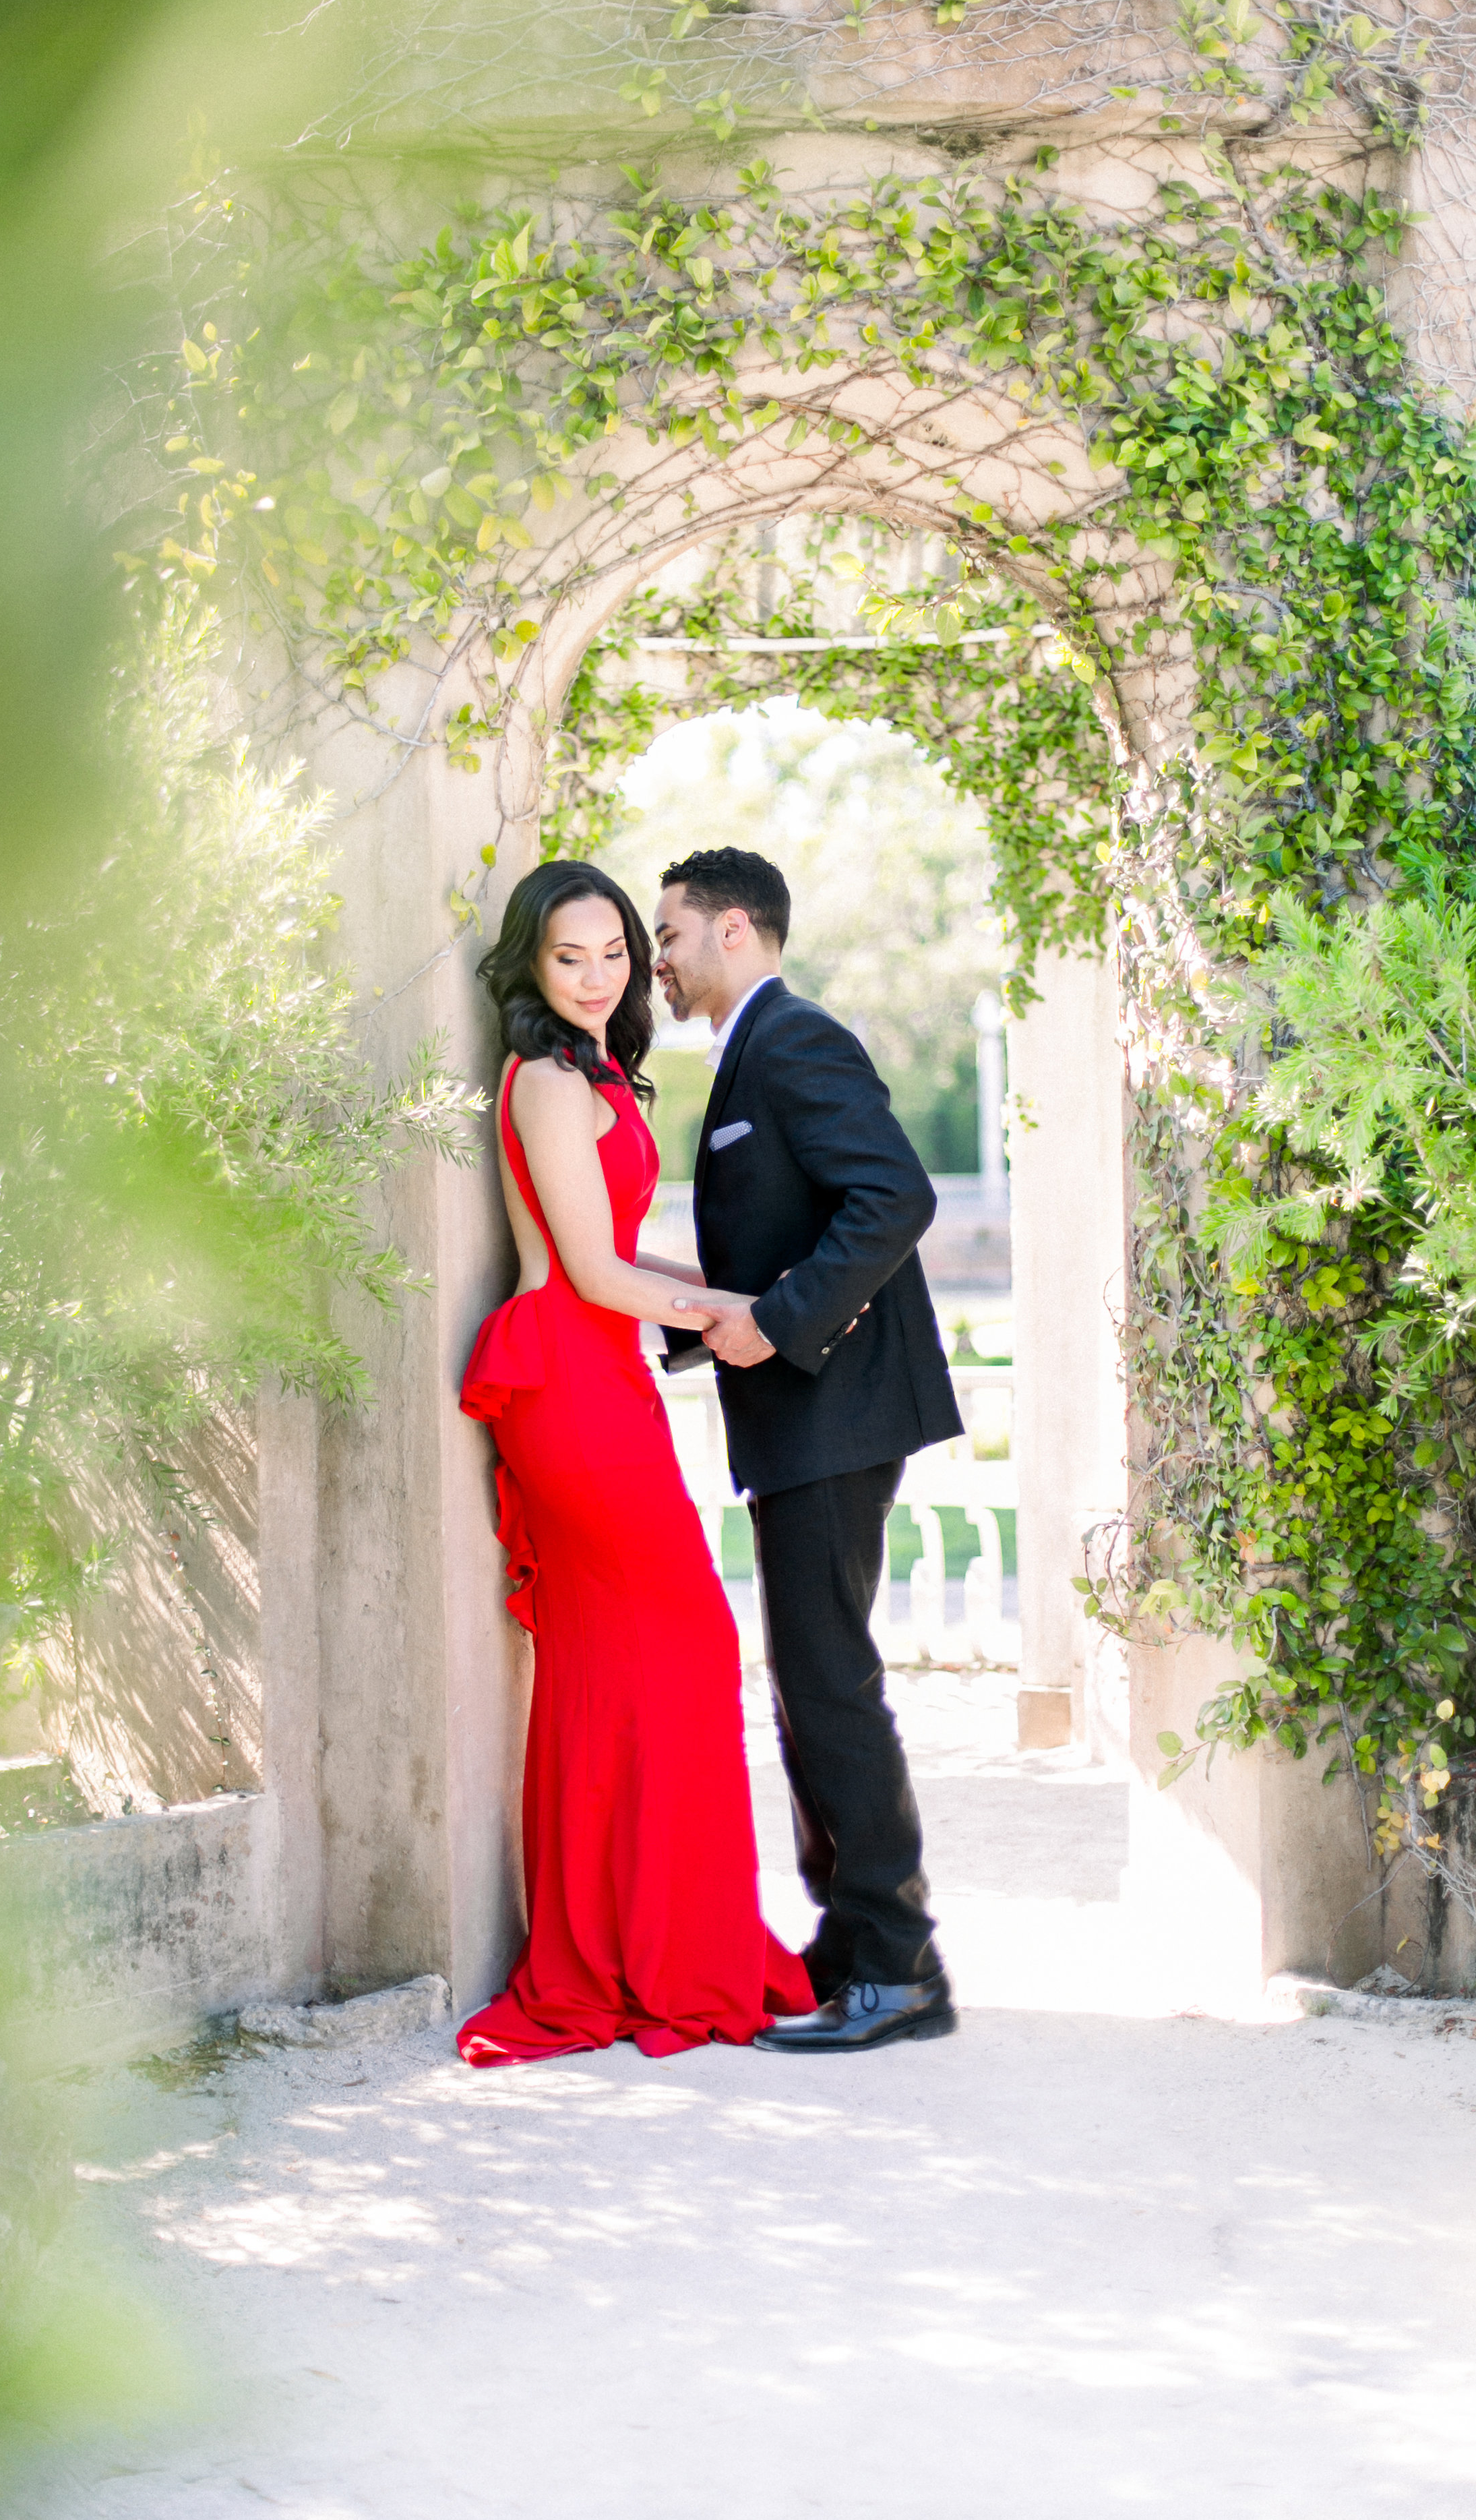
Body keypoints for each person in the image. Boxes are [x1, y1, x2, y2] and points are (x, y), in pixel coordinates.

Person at [455, 859, 815, 2066]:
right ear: (531, 965)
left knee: (617, 1668)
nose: (601, 974)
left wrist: (737, 1300)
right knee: (682, 1645)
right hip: (564, 1379)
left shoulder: (597, 1069)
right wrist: (738, 1308)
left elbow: (623, 1260)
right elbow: (596, 1274)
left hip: (602, 1376)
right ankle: (646, 1953)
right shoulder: (550, 1084)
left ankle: (643, 1938)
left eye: (616, 950)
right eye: (572, 956)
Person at [654, 847, 964, 2055]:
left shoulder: (792, 1040)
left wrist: (773, 1321)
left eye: (670, 935)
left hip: (837, 1414)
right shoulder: (750, 1051)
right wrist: (697, 1317)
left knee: (827, 1679)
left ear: (735, 931)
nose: (660, 962)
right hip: (805, 1414)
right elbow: (786, 1233)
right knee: (806, 1679)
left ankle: (899, 1963)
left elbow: (894, 1195)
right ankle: (850, 1945)